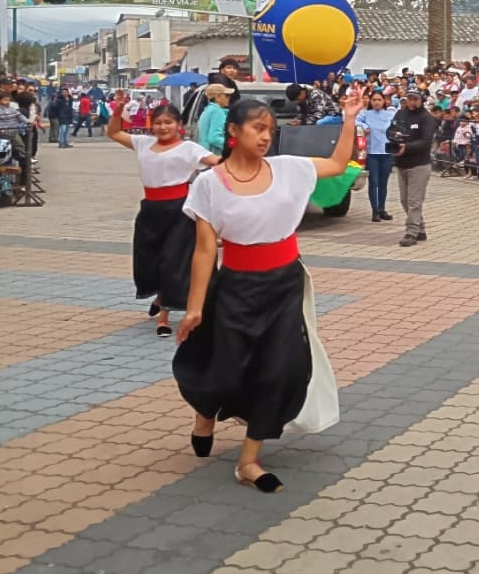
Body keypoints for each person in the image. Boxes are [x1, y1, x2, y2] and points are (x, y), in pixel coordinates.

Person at [174, 88, 363, 493]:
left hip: (284, 285)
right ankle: (205, 413)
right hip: (236, 287)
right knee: (224, 366)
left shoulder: (289, 168)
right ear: (233, 131)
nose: (265, 136)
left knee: (279, 370)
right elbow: (205, 251)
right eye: (257, 128)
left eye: (269, 130)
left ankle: (248, 461)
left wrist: (349, 119)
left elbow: (336, 163)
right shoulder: (209, 184)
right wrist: (194, 308)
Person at [108, 97, 218, 338]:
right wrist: (118, 111)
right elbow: (114, 133)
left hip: (180, 212)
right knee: (150, 261)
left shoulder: (189, 148)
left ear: (179, 125)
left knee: (172, 262)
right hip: (151, 211)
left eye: (168, 122)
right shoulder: (143, 143)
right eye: (158, 123)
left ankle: (164, 317)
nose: (163, 127)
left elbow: (217, 163)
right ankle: (159, 298)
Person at [390, 87, 437, 246]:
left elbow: (426, 141)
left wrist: (407, 147)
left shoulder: (426, 118)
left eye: (415, 99)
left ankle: (411, 232)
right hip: (402, 163)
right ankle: (420, 228)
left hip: (419, 165)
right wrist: (394, 138)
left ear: (421, 100)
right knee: (404, 200)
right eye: (409, 98)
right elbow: (391, 129)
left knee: (414, 201)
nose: (412, 102)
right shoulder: (400, 114)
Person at [357, 90, 396, 222]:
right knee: (373, 182)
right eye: (374, 100)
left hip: (387, 152)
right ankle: (375, 211)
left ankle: (382, 209)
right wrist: (364, 126)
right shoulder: (365, 114)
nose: (377, 102)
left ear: (384, 101)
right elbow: (355, 121)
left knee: (383, 183)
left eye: (379, 100)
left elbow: (397, 127)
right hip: (372, 153)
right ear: (370, 101)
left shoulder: (390, 114)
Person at [196, 83, 234, 155]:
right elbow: (214, 138)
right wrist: (232, 146)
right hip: (215, 155)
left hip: (205, 154)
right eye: (226, 95)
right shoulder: (217, 112)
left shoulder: (208, 110)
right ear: (218, 97)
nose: (229, 98)